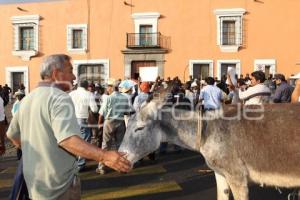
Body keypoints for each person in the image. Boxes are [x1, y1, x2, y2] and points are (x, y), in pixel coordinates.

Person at [6, 54, 131, 200]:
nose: (74, 77)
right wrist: (105, 156)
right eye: (70, 70)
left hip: (35, 182)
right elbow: (68, 140)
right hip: (59, 186)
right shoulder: (59, 97)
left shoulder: (28, 99)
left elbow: (13, 135)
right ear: (56, 74)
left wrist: (38, 152)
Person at [96, 79, 131, 174]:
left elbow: (101, 113)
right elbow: (127, 112)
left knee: (106, 144)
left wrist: (99, 124)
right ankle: (122, 167)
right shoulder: (124, 98)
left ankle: (101, 167)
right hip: (120, 121)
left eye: (109, 86)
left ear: (111, 88)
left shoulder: (108, 98)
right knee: (120, 145)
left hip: (109, 121)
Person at [69, 80, 99, 171]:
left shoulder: (71, 94)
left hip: (71, 119)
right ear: (86, 86)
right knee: (84, 141)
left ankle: (73, 162)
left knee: (73, 141)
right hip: (82, 119)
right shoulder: (88, 94)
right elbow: (94, 109)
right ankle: (80, 164)